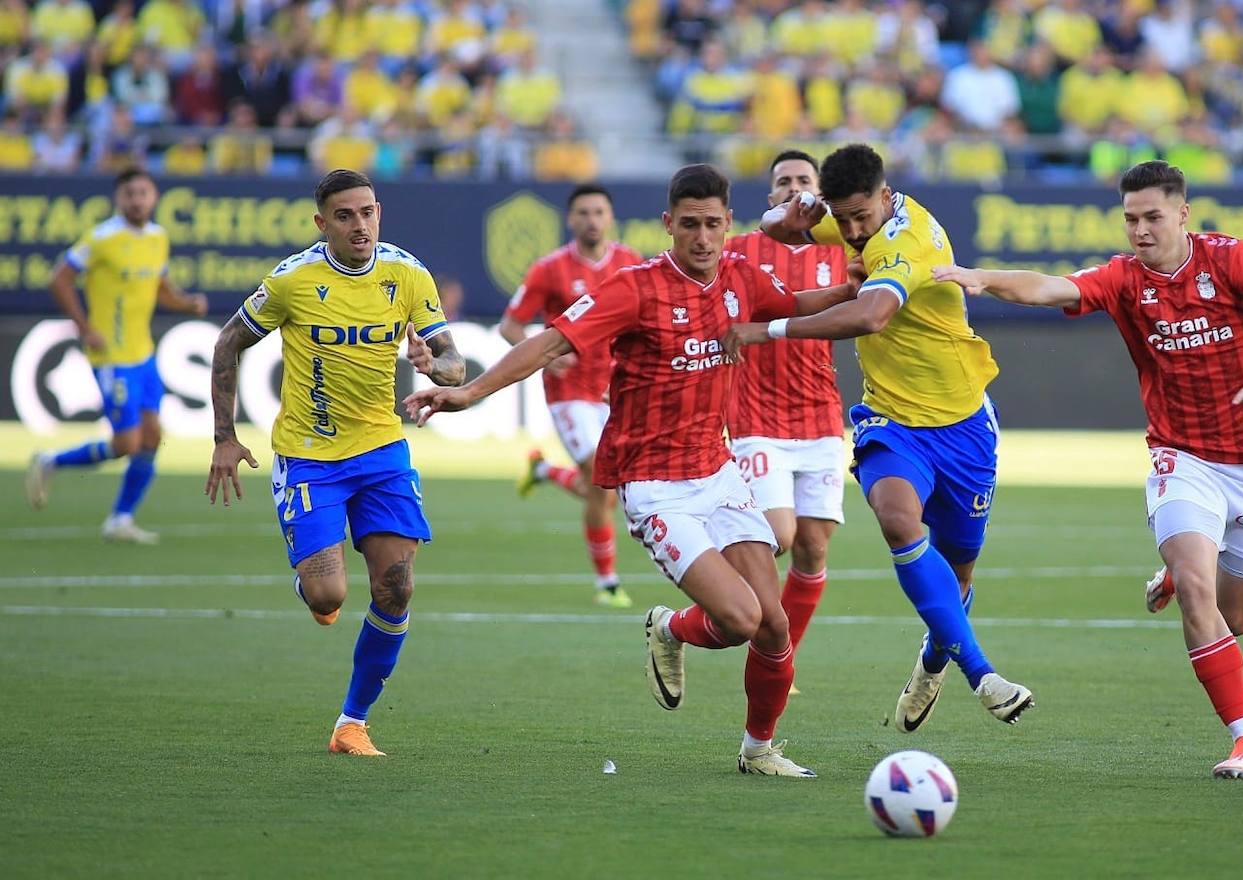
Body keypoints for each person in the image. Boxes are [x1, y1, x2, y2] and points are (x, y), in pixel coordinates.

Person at [406, 164, 859, 777]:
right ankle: (670, 628)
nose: (702, 239)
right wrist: (471, 392)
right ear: (669, 225)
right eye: (690, 225)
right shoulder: (635, 287)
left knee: (774, 625)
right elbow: (548, 343)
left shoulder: (741, 276)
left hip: (719, 472)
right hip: (656, 487)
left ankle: (759, 750)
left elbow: (793, 304)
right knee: (741, 619)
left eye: (714, 225)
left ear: (729, 224)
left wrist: (853, 288)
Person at [931, 160, 1243, 779]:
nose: (1140, 230)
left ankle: (1174, 577)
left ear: (1183, 214)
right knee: (1199, 588)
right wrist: (978, 277)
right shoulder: (1122, 278)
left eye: (1152, 217)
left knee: (1236, 616)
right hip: (1182, 456)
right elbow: (1047, 287)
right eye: (1131, 219)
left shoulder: (1232, 260)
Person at [727, 143, 1035, 732]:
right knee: (897, 519)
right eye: (840, 219)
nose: (850, 231)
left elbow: (870, 316)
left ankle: (932, 659)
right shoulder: (849, 220)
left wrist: (768, 330)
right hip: (890, 419)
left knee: (960, 572)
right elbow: (781, 228)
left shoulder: (905, 239)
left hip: (963, 422)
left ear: (885, 194)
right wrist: (785, 217)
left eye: (860, 217)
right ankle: (983, 674)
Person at [204, 169, 466, 758]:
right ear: (322, 224)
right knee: (327, 597)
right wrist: (225, 436)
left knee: (395, 588)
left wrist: (433, 366)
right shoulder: (294, 281)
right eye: (345, 216)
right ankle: (312, 585)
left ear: (380, 213)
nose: (360, 226)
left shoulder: (407, 272)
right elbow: (228, 343)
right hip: (309, 456)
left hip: (382, 452)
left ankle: (353, 723)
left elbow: (455, 365)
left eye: (368, 213)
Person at [27, 168, 207, 542]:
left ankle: (120, 519)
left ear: (154, 197)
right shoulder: (101, 238)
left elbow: (160, 287)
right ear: (118, 199)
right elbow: (58, 278)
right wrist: (84, 326)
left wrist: (186, 303)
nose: (137, 200)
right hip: (110, 356)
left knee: (153, 436)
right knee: (126, 444)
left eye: (143, 192)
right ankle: (50, 460)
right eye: (130, 194)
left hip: (144, 354)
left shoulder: (158, 237)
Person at [724, 150, 849, 687]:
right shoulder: (739, 251)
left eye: (804, 179)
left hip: (820, 415)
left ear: (819, 192)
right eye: (783, 181)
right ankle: (714, 608)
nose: (794, 187)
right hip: (755, 416)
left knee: (814, 547)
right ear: (770, 195)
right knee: (778, 533)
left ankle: (780, 659)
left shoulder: (841, 250)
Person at [499, 184, 642, 608]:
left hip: (616, 389)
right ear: (570, 219)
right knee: (601, 482)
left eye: (599, 211)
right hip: (570, 391)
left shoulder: (631, 263)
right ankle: (608, 583)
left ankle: (544, 472)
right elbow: (511, 326)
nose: (592, 219)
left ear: (610, 217)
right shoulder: (550, 269)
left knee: (605, 489)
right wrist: (545, 356)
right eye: (583, 212)